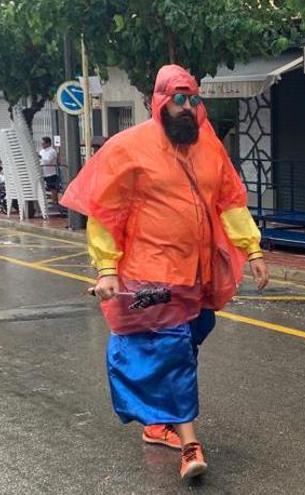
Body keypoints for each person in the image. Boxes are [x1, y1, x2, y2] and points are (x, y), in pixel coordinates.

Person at [61, 64, 269, 481]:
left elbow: (230, 201)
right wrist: (106, 268)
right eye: (178, 98)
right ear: (159, 101)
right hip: (151, 272)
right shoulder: (129, 148)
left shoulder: (210, 147)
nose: (187, 107)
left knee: (190, 341)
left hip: (198, 273)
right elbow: (104, 212)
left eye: (193, 99)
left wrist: (253, 248)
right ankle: (190, 444)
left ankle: (158, 423)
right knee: (173, 352)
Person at [39, 136, 60, 205]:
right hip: (43, 173)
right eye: (41, 143)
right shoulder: (41, 151)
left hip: (51, 173)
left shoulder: (52, 151)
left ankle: (55, 202)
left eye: (43, 143)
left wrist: (40, 158)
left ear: (48, 143)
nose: (42, 145)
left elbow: (48, 161)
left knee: (52, 189)